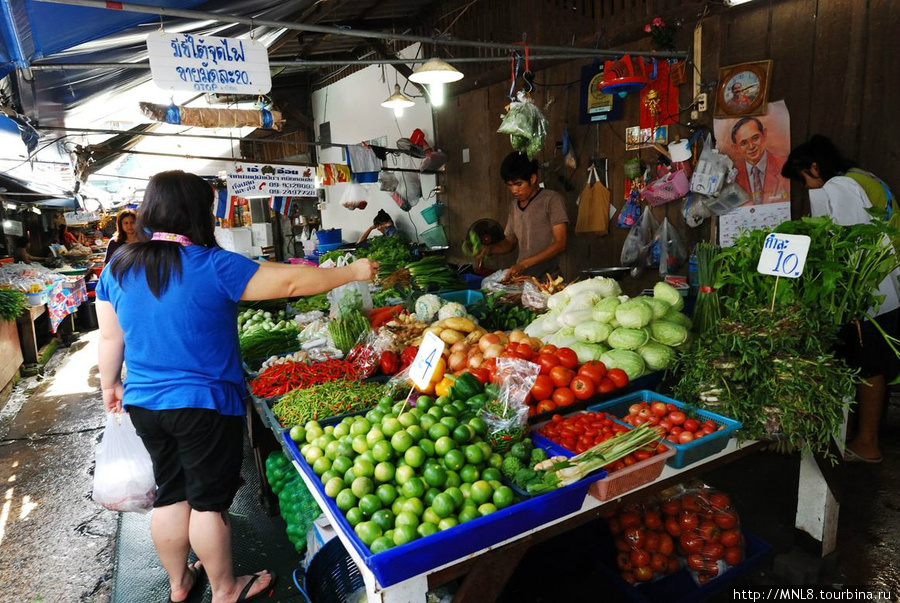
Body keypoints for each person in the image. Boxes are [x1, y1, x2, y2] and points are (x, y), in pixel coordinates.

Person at [95, 171, 377, 603]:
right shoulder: (212, 264)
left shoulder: (119, 267)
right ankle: (226, 589)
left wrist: (110, 385)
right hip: (204, 405)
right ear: (199, 213)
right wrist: (353, 270)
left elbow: (111, 338)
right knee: (208, 502)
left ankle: (179, 583)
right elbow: (290, 282)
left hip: (145, 403)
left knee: (171, 494)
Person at [782, 135, 899, 464]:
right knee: (869, 365)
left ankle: (866, 443)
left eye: (803, 178)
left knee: (867, 366)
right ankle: (853, 435)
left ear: (815, 167)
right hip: (886, 285)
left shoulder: (840, 186)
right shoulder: (864, 177)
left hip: (867, 292)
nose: (806, 187)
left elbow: (845, 243)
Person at [477, 152, 568, 278]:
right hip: (522, 280)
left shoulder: (552, 200)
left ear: (532, 179)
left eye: (518, 184)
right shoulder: (514, 206)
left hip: (548, 279)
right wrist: (491, 249)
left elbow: (560, 244)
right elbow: (509, 242)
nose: (514, 190)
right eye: (510, 185)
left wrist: (524, 264)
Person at [730, 117, 790, 205]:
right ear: (736, 148)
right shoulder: (731, 174)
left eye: (755, 138)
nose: (751, 146)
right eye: (744, 143)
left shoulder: (785, 165)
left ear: (764, 135)